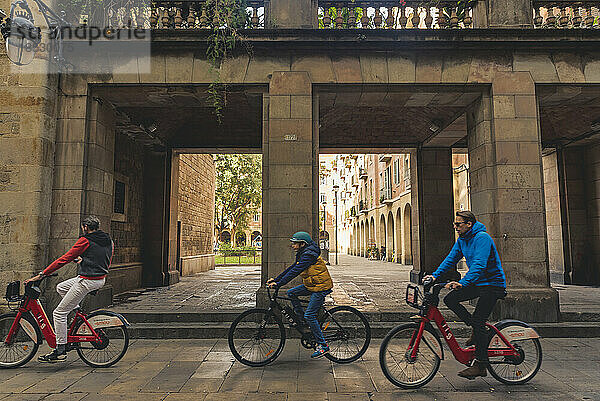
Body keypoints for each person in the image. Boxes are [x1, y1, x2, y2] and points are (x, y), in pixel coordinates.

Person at [423, 211, 506, 379]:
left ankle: (481, 365)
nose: (455, 227)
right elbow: (451, 259)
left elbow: (479, 265)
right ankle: (476, 329)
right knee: (450, 299)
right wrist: (434, 275)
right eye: (455, 224)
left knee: (479, 320)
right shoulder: (462, 239)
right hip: (478, 283)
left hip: (492, 285)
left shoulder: (482, 238)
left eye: (458, 224)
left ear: (469, 224)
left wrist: (463, 283)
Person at [25, 216, 113, 363]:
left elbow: (63, 259)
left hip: (87, 280)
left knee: (59, 313)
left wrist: (41, 275)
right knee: (61, 287)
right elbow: (105, 259)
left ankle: (60, 350)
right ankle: (77, 314)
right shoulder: (108, 240)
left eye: (82, 227)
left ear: (85, 227)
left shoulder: (85, 240)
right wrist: (84, 260)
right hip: (98, 279)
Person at [267, 231, 333, 359]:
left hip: (320, 287)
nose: (292, 245)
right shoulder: (304, 253)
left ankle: (323, 346)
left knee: (310, 315)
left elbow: (296, 271)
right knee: (291, 293)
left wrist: (279, 283)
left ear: (302, 244)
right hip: (313, 284)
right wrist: (276, 280)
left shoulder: (308, 255)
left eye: (295, 243)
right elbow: (292, 268)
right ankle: (301, 319)